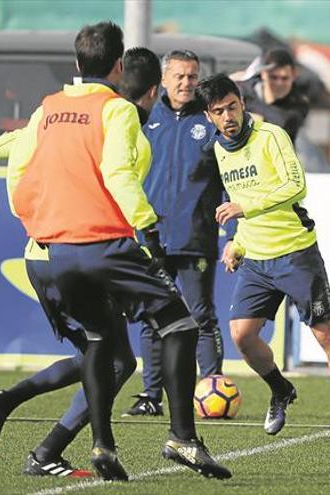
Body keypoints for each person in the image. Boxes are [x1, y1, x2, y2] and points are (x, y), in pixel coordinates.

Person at [5, 22, 230, 480]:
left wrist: (35, 221)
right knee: (181, 325)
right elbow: (119, 175)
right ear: (117, 66)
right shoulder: (116, 110)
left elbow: (18, 169)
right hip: (102, 243)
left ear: (75, 63)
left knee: (101, 347)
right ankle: (182, 439)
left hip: (53, 248)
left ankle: (99, 445)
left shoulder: (47, 108)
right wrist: (147, 234)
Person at [0, 47, 160, 478]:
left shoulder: (58, 116)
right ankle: (44, 450)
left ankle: (3, 405)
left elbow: (17, 143)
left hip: (42, 253)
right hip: (83, 253)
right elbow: (118, 185)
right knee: (113, 361)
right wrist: (149, 241)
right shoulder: (124, 127)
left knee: (103, 356)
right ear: (153, 93)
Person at [195, 73, 330, 440]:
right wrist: (237, 243)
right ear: (209, 116)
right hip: (256, 259)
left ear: (242, 104)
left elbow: (295, 186)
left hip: (294, 253)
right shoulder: (217, 149)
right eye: (218, 111)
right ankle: (280, 389)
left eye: (231, 107)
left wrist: (246, 208)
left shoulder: (271, 136)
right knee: (242, 336)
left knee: (325, 335)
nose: (227, 116)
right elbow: (239, 198)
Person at [123, 48, 227, 418]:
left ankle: (212, 387)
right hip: (152, 236)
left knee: (201, 315)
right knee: (153, 317)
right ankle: (151, 395)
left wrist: (232, 227)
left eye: (192, 76)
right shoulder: (143, 117)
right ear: (163, 80)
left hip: (195, 236)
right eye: (179, 76)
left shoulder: (210, 119)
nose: (186, 83)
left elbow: (228, 176)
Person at [235, 47, 309, 143]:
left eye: (284, 78)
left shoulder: (299, 104)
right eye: (273, 77)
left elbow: (282, 124)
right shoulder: (240, 91)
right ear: (263, 74)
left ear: (294, 75)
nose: (279, 83)